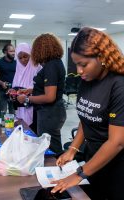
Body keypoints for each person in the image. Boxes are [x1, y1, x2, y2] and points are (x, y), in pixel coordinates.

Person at [51, 27, 124, 200]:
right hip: (93, 159)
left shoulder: (119, 85)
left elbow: (117, 142)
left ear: (102, 58)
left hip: (116, 165)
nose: (79, 71)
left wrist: (79, 175)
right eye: (77, 64)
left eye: (83, 64)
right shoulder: (87, 80)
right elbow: (87, 117)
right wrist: (72, 149)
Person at [17, 33, 67, 154]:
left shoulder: (51, 66)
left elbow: (50, 97)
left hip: (50, 113)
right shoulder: (55, 63)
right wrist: (31, 91)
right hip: (51, 111)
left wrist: (27, 99)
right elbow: (48, 88)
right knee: (48, 144)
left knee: (50, 148)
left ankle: (55, 171)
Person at [11, 43, 42, 132]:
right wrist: (13, 92)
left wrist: (27, 93)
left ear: (31, 55)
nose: (23, 60)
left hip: (34, 107)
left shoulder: (37, 68)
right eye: (20, 58)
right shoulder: (18, 70)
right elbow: (15, 87)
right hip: (20, 107)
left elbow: (42, 88)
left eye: (26, 56)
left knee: (33, 132)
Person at [0, 44, 16, 119]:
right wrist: (2, 83)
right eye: (11, 51)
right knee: (3, 111)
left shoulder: (17, 63)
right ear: (5, 52)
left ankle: (13, 128)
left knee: (13, 111)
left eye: (14, 51)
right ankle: (2, 128)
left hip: (14, 91)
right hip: (3, 91)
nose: (13, 53)